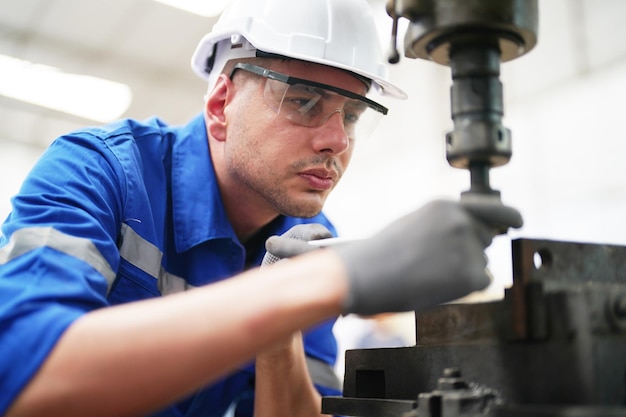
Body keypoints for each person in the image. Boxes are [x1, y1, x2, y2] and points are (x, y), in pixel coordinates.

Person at [0, 0, 523, 416]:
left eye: (354, 116)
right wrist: (315, 286)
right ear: (220, 104)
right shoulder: (100, 172)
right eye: (303, 101)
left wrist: (281, 335)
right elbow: (20, 378)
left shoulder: (310, 237)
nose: (336, 140)